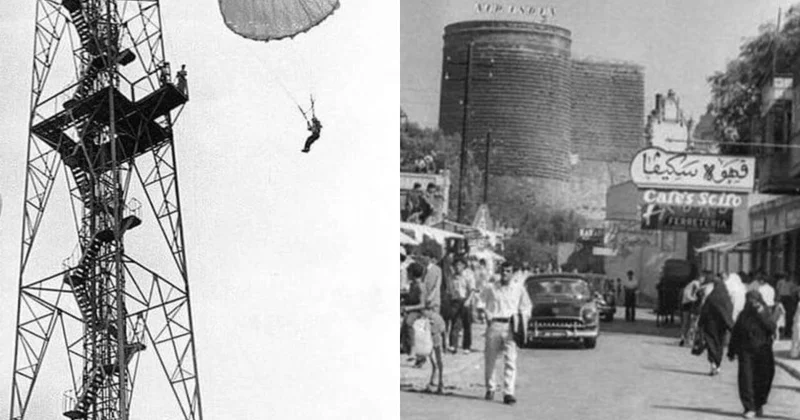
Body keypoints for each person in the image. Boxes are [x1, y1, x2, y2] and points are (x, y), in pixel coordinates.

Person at [480, 261, 532, 405]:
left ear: (512, 273)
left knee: (510, 360)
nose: (505, 274)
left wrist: (523, 322)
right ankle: (490, 387)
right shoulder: (492, 288)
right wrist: (486, 314)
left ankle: (508, 392)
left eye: (508, 271)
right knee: (490, 359)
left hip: (511, 325)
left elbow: (526, 306)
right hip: (495, 324)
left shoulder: (518, 289)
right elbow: (481, 301)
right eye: (503, 271)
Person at [401, 250, 447, 392]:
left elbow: (425, 300)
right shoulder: (417, 283)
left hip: (430, 314)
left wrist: (408, 307)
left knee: (437, 351)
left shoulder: (424, 282)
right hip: (423, 311)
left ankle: (439, 381)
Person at [728, 290, 778, 419]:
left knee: (763, 379)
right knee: (746, 380)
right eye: (750, 300)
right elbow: (736, 333)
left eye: (755, 300)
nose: (752, 303)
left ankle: (759, 404)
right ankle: (749, 407)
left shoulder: (765, 312)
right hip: (746, 352)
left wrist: (761, 313)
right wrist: (731, 350)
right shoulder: (744, 315)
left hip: (763, 352)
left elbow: (771, 327)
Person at [698, 271, 734, 376]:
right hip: (722, 325)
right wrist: (730, 324)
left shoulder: (711, 298)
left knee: (711, 344)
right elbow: (729, 311)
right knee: (719, 345)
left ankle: (713, 364)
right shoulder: (726, 298)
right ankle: (717, 365)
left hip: (710, 325)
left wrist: (700, 323)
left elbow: (704, 310)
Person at [449, 258, 476, 353]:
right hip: (456, 300)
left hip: (465, 300)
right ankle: (453, 345)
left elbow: (472, 290)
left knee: (466, 324)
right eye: (456, 265)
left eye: (459, 265)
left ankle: (466, 346)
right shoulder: (453, 276)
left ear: (464, 266)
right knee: (455, 322)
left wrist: (468, 300)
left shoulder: (468, 275)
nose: (457, 267)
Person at [680, 275, 702, 346]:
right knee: (687, 322)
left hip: (689, 304)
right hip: (687, 304)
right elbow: (688, 296)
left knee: (689, 322)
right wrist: (694, 299)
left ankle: (686, 338)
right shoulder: (693, 285)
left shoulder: (694, 285)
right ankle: (684, 338)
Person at [776, 274, 797, 338]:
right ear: (784, 276)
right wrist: (777, 299)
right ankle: (780, 331)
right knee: (780, 314)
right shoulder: (780, 282)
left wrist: (793, 300)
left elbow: (793, 292)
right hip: (781, 298)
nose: (787, 277)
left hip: (788, 299)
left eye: (788, 276)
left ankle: (787, 332)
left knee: (788, 315)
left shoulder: (792, 283)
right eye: (786, 276)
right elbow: (777, 290)